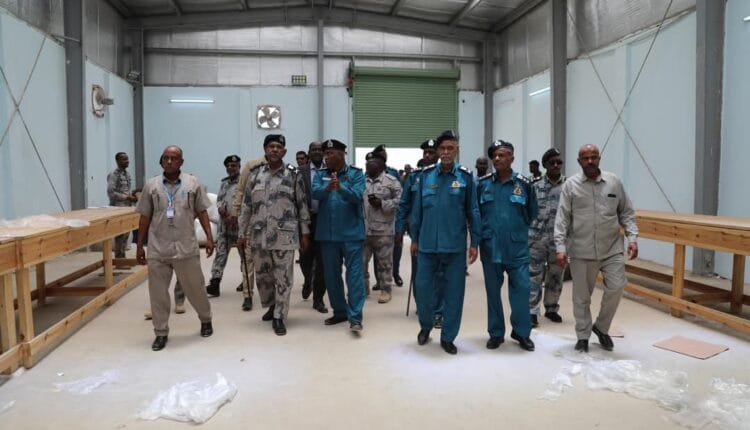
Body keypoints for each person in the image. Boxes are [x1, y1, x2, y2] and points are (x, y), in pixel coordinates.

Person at [554, 144, 639, 353]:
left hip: (611, 248)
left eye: (594, 157)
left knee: (617, 286)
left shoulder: (613, 182)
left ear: (599, 158)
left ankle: (601, 327)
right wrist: (560, 247)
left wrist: (633, 238)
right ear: (579, 161)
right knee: (582, 297)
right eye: (586, 158)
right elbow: (562, 218)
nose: (590, 161)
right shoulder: (571, 186)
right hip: (581, 250)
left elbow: (626, 212)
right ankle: (583, 335)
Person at [135, 146, 214, 351]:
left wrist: (209, 237)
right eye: (166, 158)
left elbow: (202, 211)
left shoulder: (192, 183)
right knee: (158, 294)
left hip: (185, 247)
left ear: (181, 162)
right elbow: (144, 217)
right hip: (158, 248)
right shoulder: (151, 185)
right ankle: (160, 332)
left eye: (174, 158)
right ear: (161, 161)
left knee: (196, 288)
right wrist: (140, 245)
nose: (169, 161)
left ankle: (206, 319)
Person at [410, 130, 480, 355]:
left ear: (457, 150)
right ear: (438, 151)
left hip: (454, 247)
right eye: (442, 148)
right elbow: (417, 211)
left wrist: (474, 242)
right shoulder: (426, 176)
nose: (446, 152)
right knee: (423, 291)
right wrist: (414, 238)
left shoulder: (466, 178)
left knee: (454, 294)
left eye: (451, 148)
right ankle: (425, 326)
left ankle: (448, 336)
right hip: (427, 245)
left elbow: (473, 211)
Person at [237, 135, 310, 336]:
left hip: (284, 236)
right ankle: (271, 305)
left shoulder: (293, 175)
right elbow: (246, 206)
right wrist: (241, 232)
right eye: (271, 146)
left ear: (284, 151)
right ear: (265, 150)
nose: (275, 149)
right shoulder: (254, 175)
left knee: (283, 277)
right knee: (264, 276)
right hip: (259, 236)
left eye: (279, 147)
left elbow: (302, 205)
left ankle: (280, 315)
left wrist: (305, 233)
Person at [477, 140, 538, 352]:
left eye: (502, 155)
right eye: (494, 155)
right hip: (490, 247)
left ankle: (521, 332)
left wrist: (516, 231)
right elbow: (476, 214)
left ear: (512, 158)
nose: (497, 158)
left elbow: (531, 213)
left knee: (522, 291)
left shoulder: (524, 184)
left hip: (517, 248)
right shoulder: (483, 184)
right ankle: (496, 333)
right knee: (493, 294)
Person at [312, 139, 367, 333]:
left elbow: (358, 196)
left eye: (331, 153)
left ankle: (355, 317)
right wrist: (327, 188)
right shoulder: (320, 175)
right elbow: (314, 193)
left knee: (354, 276)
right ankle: (340, 311)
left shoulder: (356, 174)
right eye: (325, 154)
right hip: (328, 235)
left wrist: (340, 188)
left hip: (352, 234)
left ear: (343, 154)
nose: (327, 157)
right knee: (331, 276)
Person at [395, 138, 444, 326]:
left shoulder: (445, 175)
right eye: (425, 153)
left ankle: (438, 312)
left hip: (441, 232)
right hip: (419, 233)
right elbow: (404, 205)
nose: (428, 155)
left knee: (440, 273)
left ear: (438, 154)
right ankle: (422, 306)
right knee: (420, 272)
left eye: (431, 152)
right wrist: (399, 229)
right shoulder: (414, 177)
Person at [528, 148, 566, 327]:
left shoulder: (569, 186)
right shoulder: (534, 186)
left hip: (559, 240)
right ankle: (532, 311)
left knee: (556, 274)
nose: (556, 165)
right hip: (537, 238)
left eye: (559, 162)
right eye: (552, 163)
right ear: (545, 165)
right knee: (533, 275)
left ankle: (551, 308)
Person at [363, 151, 402, 304]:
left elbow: (400, 201)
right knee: (361, 263)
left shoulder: (392, 181)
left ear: (381, 165)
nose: (368, 166)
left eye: (372, 163)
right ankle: (363, 289)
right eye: (367, 163)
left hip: (384, 230)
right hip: (364, 229)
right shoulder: (361, 180)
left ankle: (386, 290)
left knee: (385, 263)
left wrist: (382, 204)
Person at [231, 154, 267, 309]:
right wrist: (235, 213)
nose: (274, 150)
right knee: (248, 259)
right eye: (270, 146)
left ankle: (271, 297)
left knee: (268, 262)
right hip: (251, 219)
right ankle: (247, 295)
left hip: (272, 223)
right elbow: (241, 190)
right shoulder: (252, 166)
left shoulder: (284, 169)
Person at [206, 155, 243, 300]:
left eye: (234, 165)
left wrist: (236, 216)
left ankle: (246, 281)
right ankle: (215, 283)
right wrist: (221, 209)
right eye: (228, 166)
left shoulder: (244, 182)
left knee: (244, 256)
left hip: (239, 226)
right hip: (224, 226)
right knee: (220, 254)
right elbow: (220, 199)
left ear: (239, 166)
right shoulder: (224, 183)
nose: (230, 168)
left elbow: (247, 202)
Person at [298, 141, 329, 313]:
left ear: (323, 152)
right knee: (305, 258)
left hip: (324, 221)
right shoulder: (300, 171)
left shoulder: (330, 170)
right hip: (305, 222)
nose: (317, 152)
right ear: (309, 153)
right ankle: (307, 280)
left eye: (319, 149)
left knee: (322, 262)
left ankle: (318, 299)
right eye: (313, 149)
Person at [372, 144, 404, 287]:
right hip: (375, 219)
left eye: (384, 154)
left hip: (392, 216)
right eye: (381, 155)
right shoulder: (369, 173)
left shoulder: (393, 173)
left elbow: (400, 198)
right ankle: (379, 279)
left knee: (396, 248)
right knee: (377, 249)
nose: (384, 156)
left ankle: (395, 274)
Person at [107, 152, 138, 262]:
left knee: (126, 233)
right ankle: (119, 258)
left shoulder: (127, 174)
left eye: (127, 159)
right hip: (118, 207)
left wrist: (133, 195)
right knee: (120, 234)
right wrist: (127, 197)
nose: (127, 161)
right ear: (118, 161)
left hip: (128, 207)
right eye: (124, 159)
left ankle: (122, 257)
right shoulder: (113, 175)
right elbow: (111, 192)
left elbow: (126, 190)